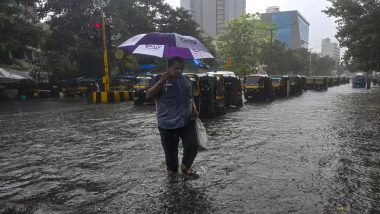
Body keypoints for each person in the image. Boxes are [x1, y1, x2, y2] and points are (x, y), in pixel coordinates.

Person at [147, 56, 200, 178]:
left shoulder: (186, 80)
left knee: (192, 145)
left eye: (181, 69)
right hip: (167, 124)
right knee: (171, 158)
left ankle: (186, 167)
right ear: (169, 67)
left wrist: (194, 108)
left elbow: (190, 97)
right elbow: (149, 95)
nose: (179, 71)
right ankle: (172, 174)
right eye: (176, 68)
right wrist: (161, 81)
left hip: (186, 120)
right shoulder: (158, 79)